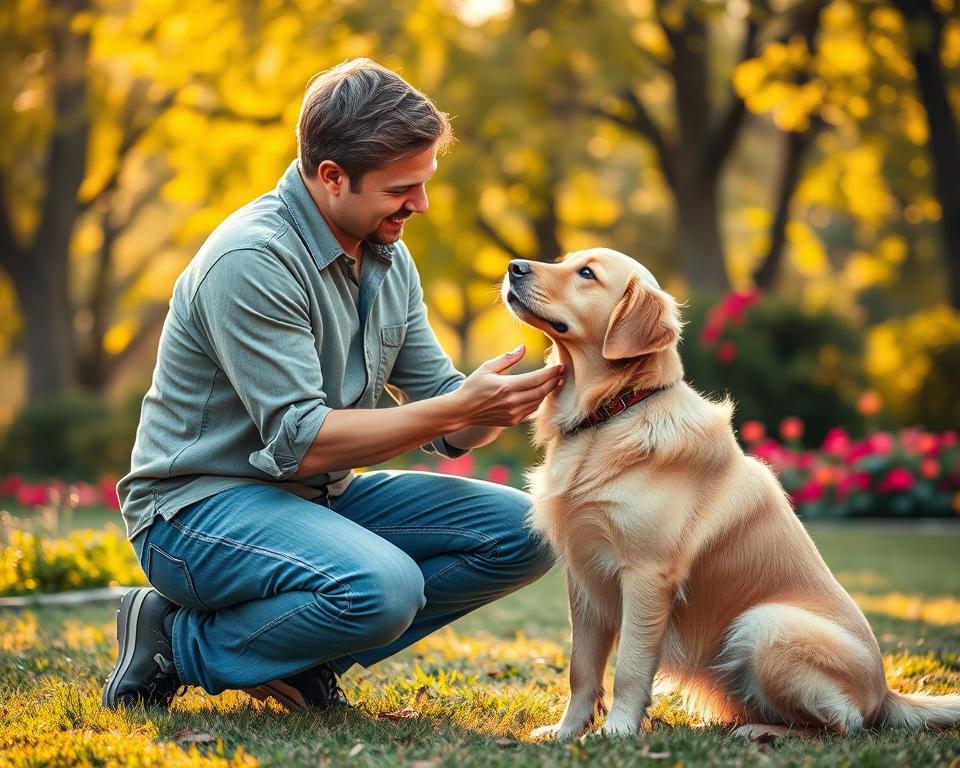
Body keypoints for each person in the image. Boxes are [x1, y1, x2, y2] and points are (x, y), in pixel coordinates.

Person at [101, 58, 564, 713]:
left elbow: (448, 414)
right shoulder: (252, 259)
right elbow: (303, 442)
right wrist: (455, 408)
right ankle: (175, 642)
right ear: (331, 176)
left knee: (530, 529)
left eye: (424, 181)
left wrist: (498, 401)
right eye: (401, 188)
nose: (421, 204)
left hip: (316, 501)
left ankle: (295, 662)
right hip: (195, 513)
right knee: (385, 588)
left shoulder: (387, 256)